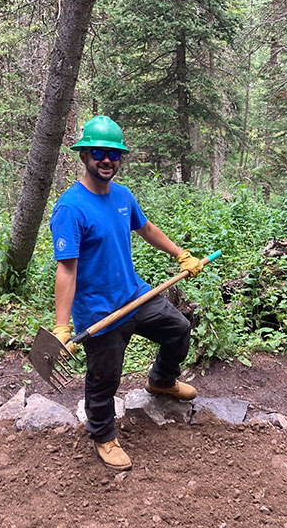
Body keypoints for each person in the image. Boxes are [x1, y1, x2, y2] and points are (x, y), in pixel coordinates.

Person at [50, 115, 204, 470]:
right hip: (100, 312)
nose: (107, 160)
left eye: (114, 154)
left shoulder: (122, 196)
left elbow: (146, 227)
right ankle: (103, 436)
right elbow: (67, 269)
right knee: (105, 379)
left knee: (178, 329)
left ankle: (161, 381)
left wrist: (180, 253)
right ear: (84, 155)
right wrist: (61, 327)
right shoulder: (70, 208)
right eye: (100, 152)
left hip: (134, 296)